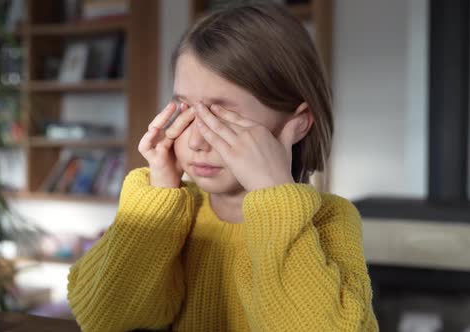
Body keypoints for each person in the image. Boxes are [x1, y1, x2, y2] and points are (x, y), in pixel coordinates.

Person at [67, 3, 378, 331]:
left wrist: (274, 197)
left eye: (223, 118)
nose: (198, 141)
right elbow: (101, 317)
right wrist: (158, 196)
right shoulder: (167, 211)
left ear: (298, 125)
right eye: (186, 110)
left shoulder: (331, 219)